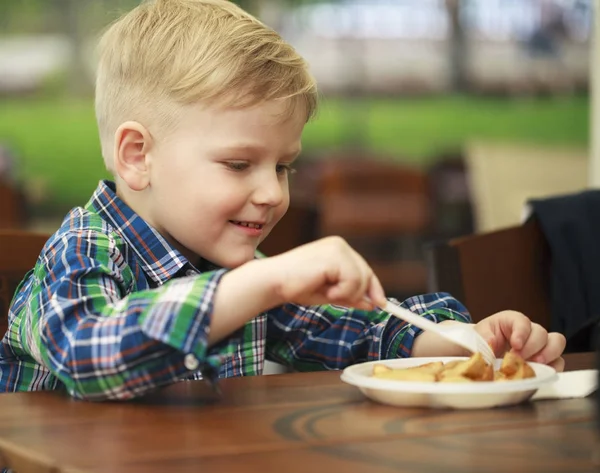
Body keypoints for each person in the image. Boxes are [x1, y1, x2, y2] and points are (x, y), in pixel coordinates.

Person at [0, 0, 565, 401]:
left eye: (284, 166)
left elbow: (358, 335)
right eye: (239, 164)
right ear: (136, 156)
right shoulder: (83, 251)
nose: (273, 193)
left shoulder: (241, 272)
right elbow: (88, 355)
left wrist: (466, 341)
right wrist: (259, 285)